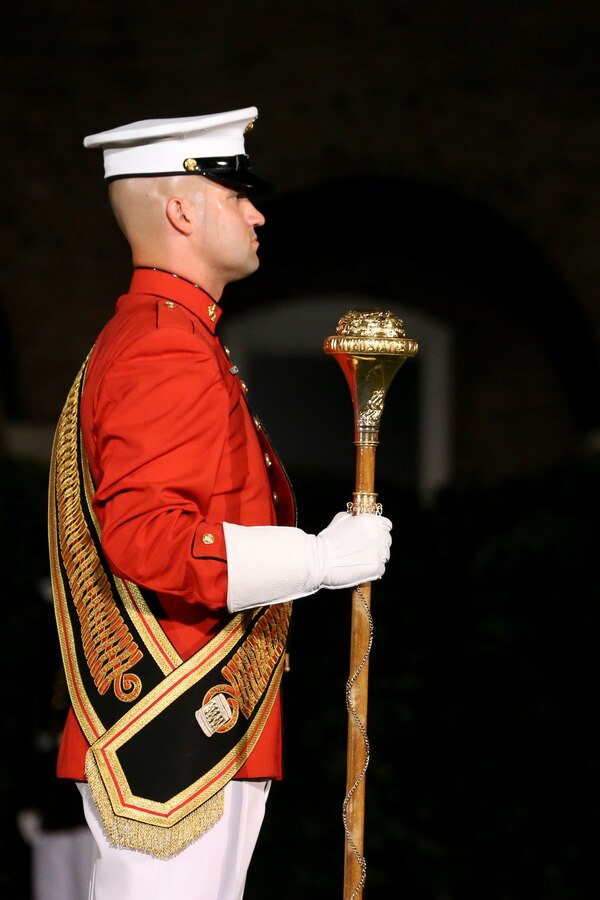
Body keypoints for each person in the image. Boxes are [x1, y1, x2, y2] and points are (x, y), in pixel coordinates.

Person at [48, 106, 393, 900]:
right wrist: (316, 558)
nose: (256, 211)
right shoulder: (166, 346)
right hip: (169, 737)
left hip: (189, 727)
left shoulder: (172, 336)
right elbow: (148, 540)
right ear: (181, 209)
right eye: (237, 191)